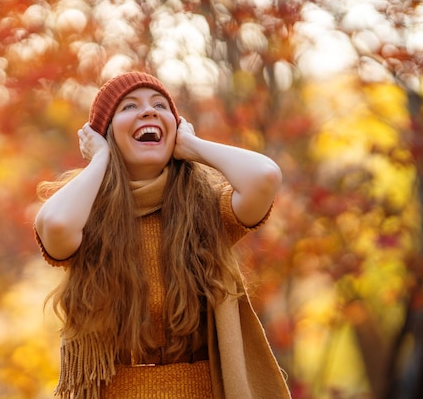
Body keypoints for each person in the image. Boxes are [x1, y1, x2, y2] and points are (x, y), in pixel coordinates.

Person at [34, 72, 291, 399]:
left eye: (160, 105)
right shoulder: (85, 211)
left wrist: (193, 146)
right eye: (128, 107)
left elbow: (265, 177)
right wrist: (101, 159)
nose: (149, 111)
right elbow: (55, 225)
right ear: (106, 134)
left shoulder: (207, 209)